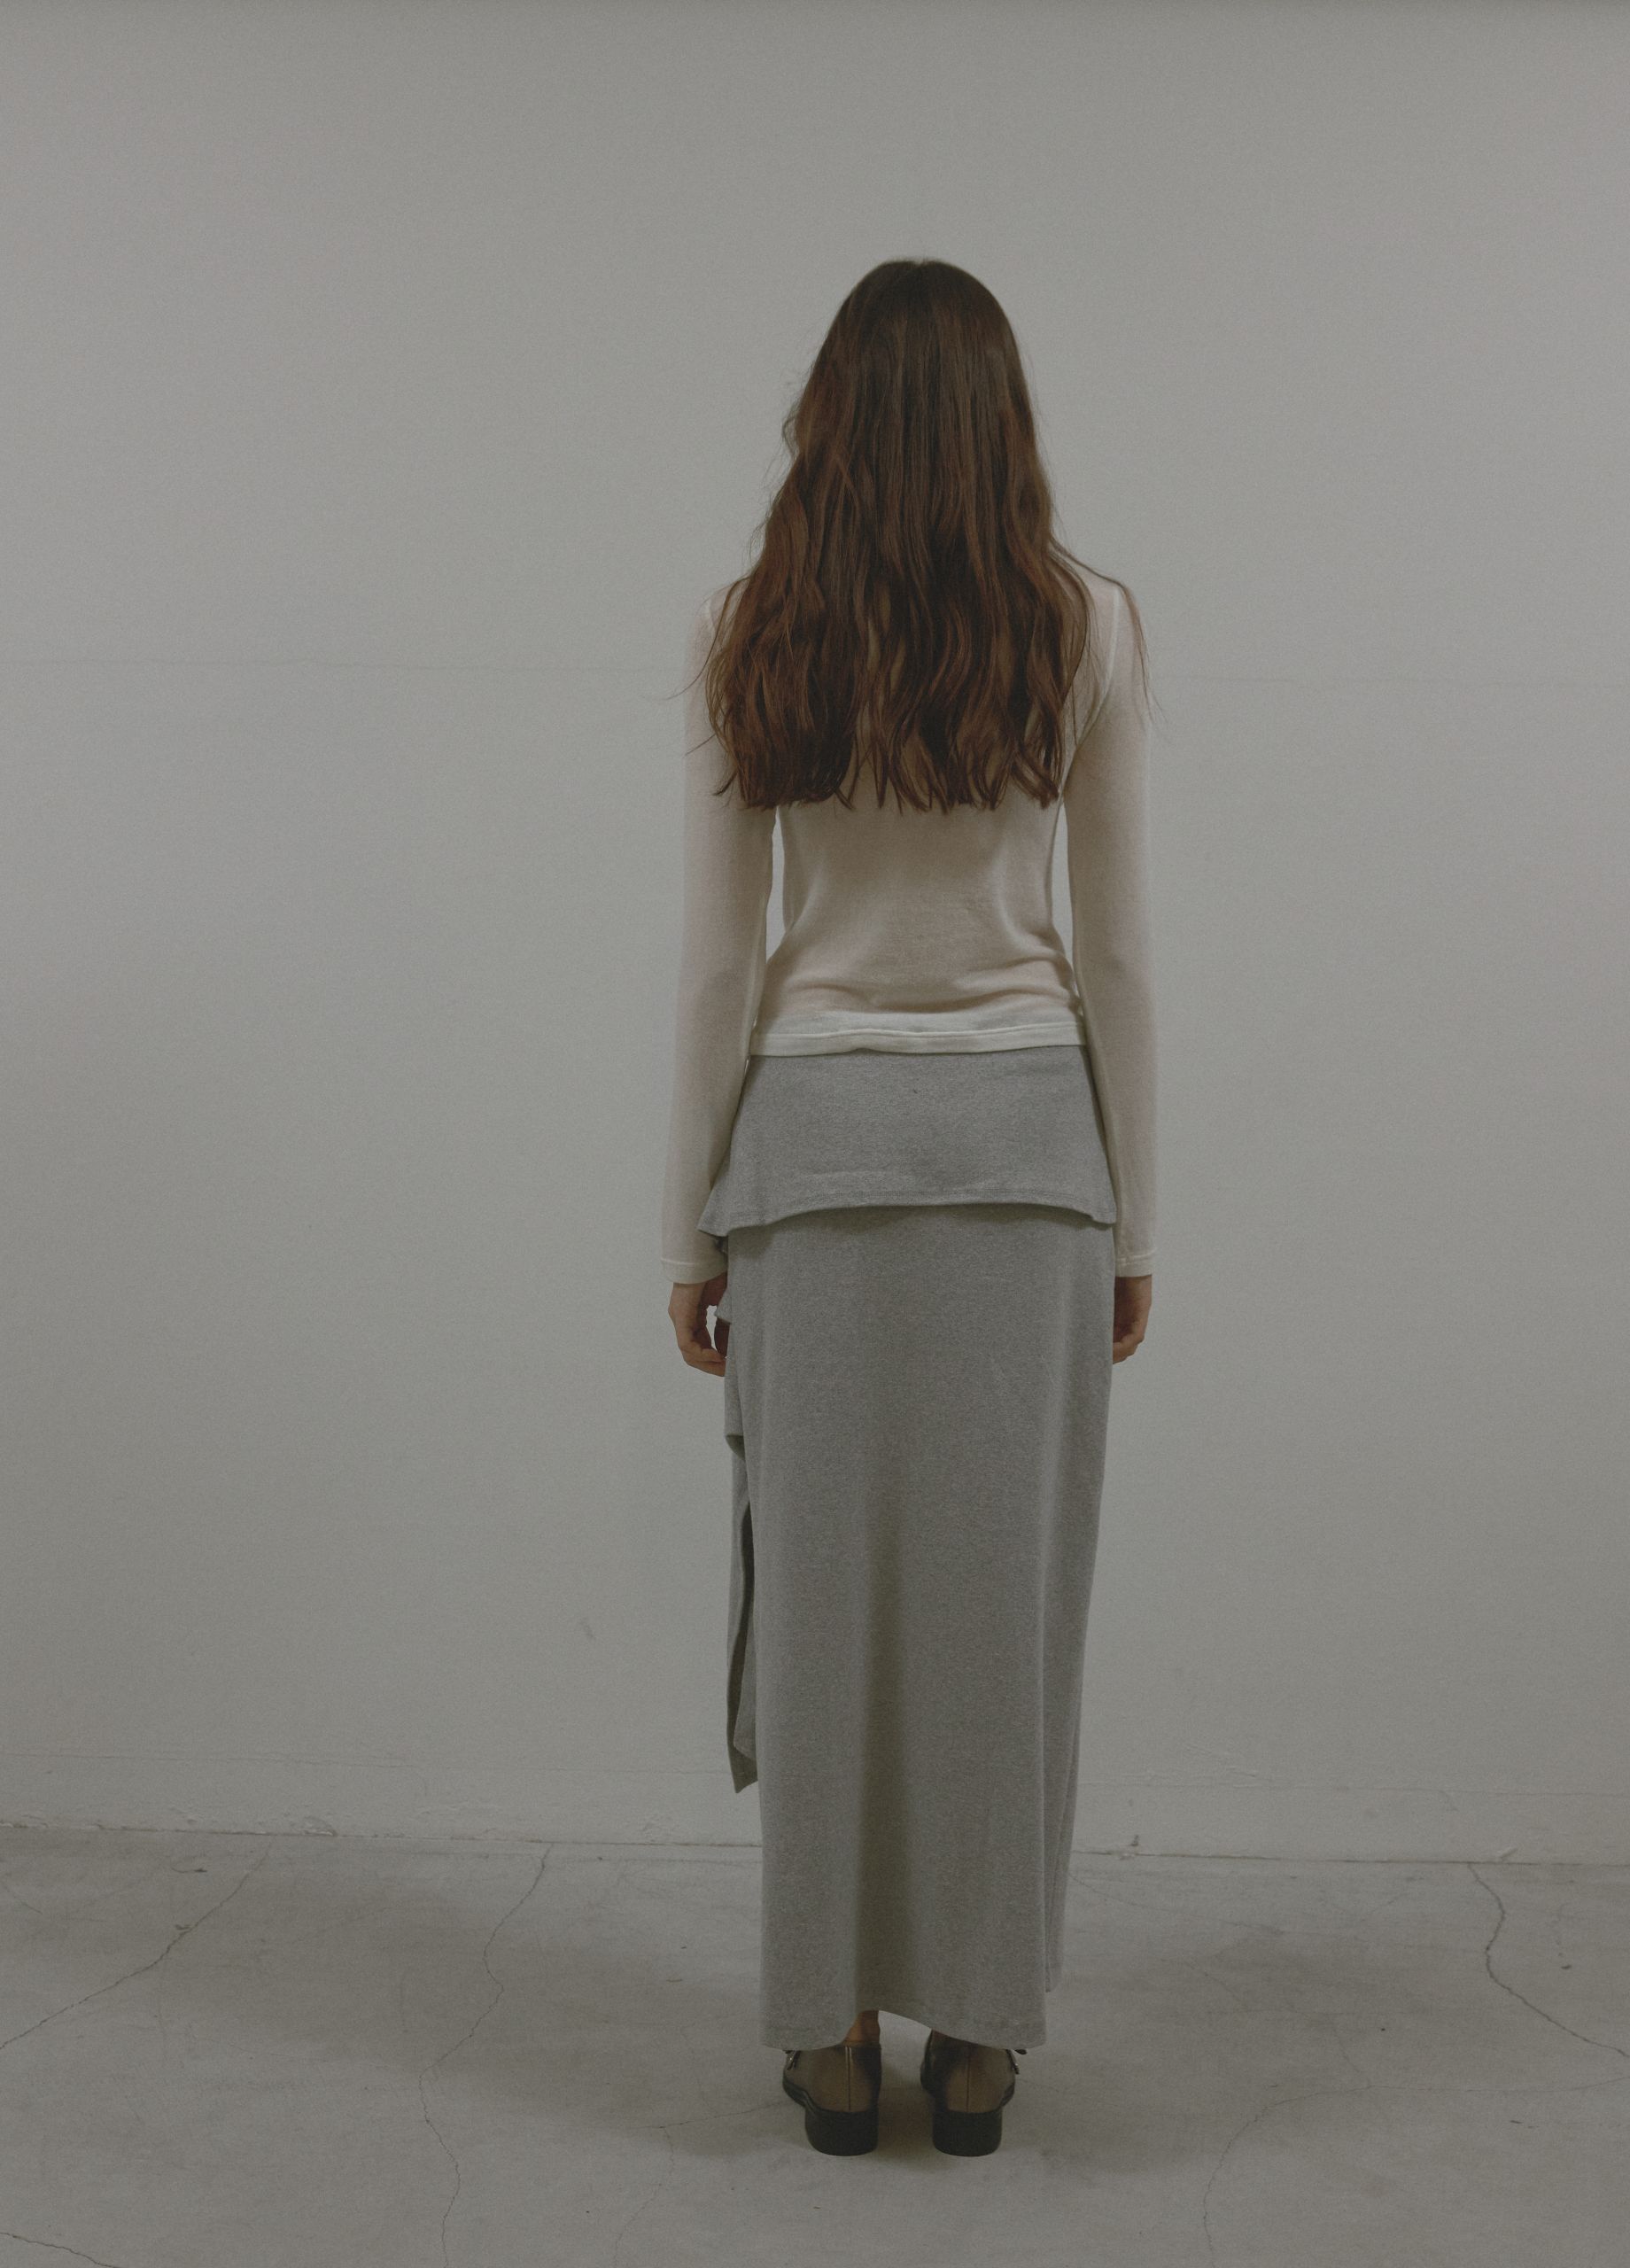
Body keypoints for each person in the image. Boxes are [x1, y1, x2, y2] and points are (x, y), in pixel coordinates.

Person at [660, 258, 1154, 2157]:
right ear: (1001, 422)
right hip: (1032, 1158)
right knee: (1003, 1616)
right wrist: (1135, 1221)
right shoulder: (1083, 623)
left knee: (823, 1613)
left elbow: (723, 964)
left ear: (831, 420)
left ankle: (830, 2033)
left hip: (813, 1158)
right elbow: (1118, 950)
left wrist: (689, 1227)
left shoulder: (754, 627)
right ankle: (981, 2039)